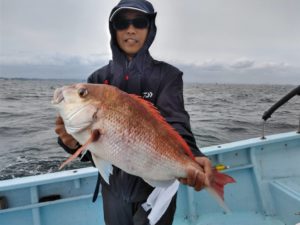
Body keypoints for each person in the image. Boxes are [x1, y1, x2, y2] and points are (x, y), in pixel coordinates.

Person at [55, 0, 213, 224]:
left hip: (157, 189)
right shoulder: (97, 80)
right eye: (122, 22)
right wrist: (71, 144)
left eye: (139, 22)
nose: (131, 29)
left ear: (150, 29)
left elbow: (176, 123)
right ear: (113, 29)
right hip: (112, 188)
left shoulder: (168, 76)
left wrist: (193, 156)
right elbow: (93, 148)